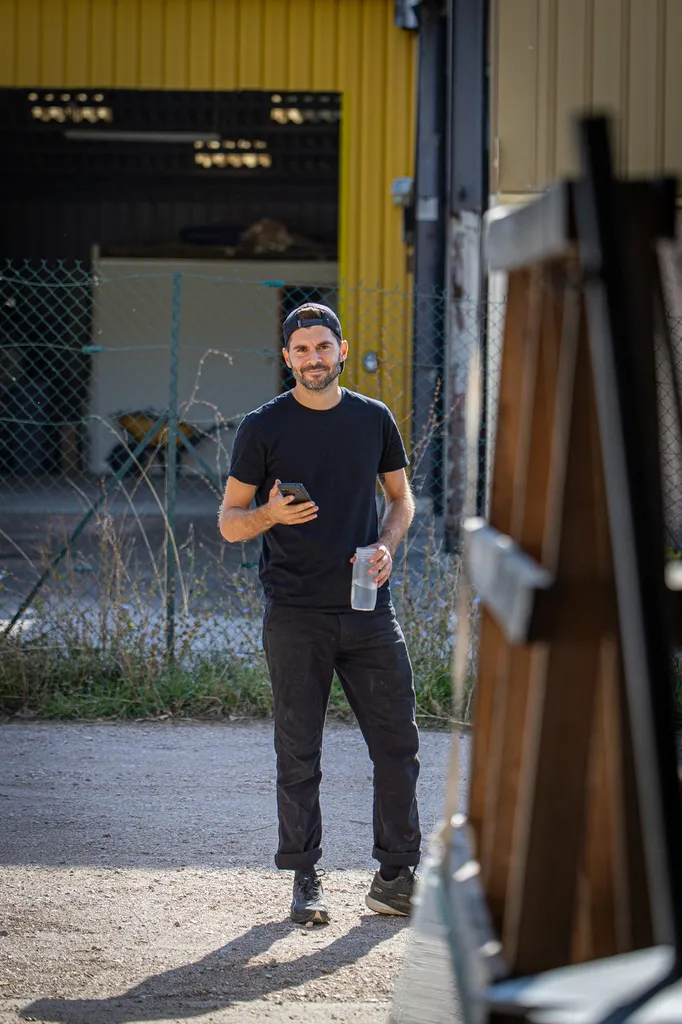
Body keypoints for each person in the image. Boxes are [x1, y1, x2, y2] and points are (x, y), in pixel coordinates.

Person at [218, 303, 420, 925]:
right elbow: (229, 524)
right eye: (301, 350)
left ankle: (394, 876)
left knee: (397, 745)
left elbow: (401, 498)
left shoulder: (373, 418)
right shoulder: (263, 427)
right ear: (287, 358)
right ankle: (306, 879)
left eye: (323, 348)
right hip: (296, 612)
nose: (313, 359)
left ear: (340, 349)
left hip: (367, 608)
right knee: (299, 751)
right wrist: (270, 517)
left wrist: (386, 545)